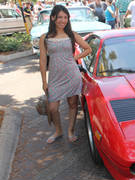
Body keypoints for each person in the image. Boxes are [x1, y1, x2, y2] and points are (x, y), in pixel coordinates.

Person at [39, 5, 92, 144]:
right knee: (53, 107)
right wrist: (44, 81)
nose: (63, 20)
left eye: (65, 17)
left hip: (71, 75)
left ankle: (70, 131)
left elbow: (88, 48)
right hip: (55, 77)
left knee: (73, 103)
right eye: (60, 17)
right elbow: (43, 61)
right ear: (53, 18)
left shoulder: (71, 35)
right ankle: (58, 130)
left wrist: (74, 58)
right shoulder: (45, 38)